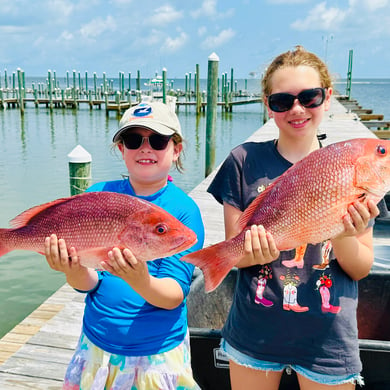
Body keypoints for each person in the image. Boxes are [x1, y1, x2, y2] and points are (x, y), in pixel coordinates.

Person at [207, 46, 379, 389]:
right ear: (268, 105)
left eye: (309, 97)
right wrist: (248, 252)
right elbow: (236, 250)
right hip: (254, 334)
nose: (297, 109)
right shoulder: (243, 162)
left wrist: (345, 232)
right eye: (283, 101)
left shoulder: (349, 171)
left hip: (328, 341)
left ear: (327, 98)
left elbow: (360, 269)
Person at [44, 101, 205, 390]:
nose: (145, 149)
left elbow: (174, 295)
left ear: (176, 149)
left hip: (157, 352)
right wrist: (70, 269)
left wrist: (140, 279)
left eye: (157, 140)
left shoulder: (183, 213)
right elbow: (89, 283)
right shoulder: (97, 195)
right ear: (121, 150)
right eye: (133, 140)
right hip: (97, 346)